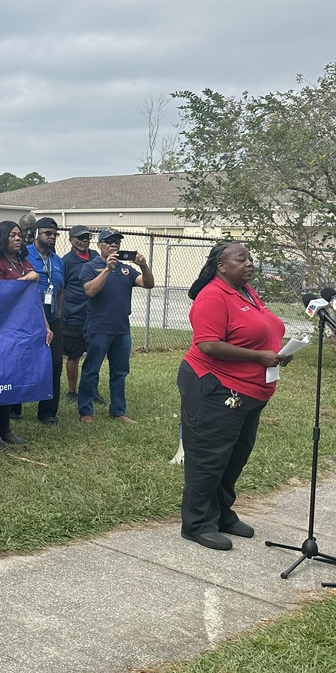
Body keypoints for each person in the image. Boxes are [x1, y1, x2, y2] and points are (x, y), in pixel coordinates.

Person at [179, 243, 289, 550]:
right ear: (221, 266)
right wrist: (259, 357)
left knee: (234, 456)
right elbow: (208, 345)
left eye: (251, 258)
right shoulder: (213, 296)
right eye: (241, 259)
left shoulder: (247, 292)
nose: (249, 263)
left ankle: (221, 513)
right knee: (209, 457)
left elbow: (259, 330)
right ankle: (197, 523)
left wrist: (277, 354)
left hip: (250, 392)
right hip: (214, 388)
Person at [0, 221, 44, 447]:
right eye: (12, 235)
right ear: (1, 238)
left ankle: (6, 428)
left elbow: (33, 299)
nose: (18, 238)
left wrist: (46, 325)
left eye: (19, 235)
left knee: (10, 379)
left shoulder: (22, 262)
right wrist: (26, 279)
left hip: (20, 329)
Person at [78, 229, 153, 424]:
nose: (114, 245)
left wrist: (144, 266)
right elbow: (90, 291)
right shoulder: (89, 267)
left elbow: (148, 284)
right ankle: (86, 410)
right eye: (109, 241)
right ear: (99, 245)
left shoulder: (126, 269)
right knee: (91, 370)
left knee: (120, 372)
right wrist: (107, 269)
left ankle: (118, 411)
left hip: (121, 330)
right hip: (98, 328)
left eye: (117, 242)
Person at [26, 217, 65, 425]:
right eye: (47, 233)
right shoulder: (25, 254)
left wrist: (58, 313)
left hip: (52, 318)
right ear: (36, 233)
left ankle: (48, 411)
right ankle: (14, 406)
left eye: (54, 234)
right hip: (28, 319)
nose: (51, 237)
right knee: (23, 362)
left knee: (56, 363)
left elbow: (61, 289)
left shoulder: (57, 261)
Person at [61, 225, 99, 402]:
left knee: (94, 355)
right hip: (73, 315)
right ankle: (72, 391)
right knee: (74, 355)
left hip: (94, 315)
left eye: (87, 237)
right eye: (80, 237)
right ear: (71, 240)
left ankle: (91, 389)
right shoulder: (66, 262)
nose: (84, 240)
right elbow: (61, 288)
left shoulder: (96, 258)